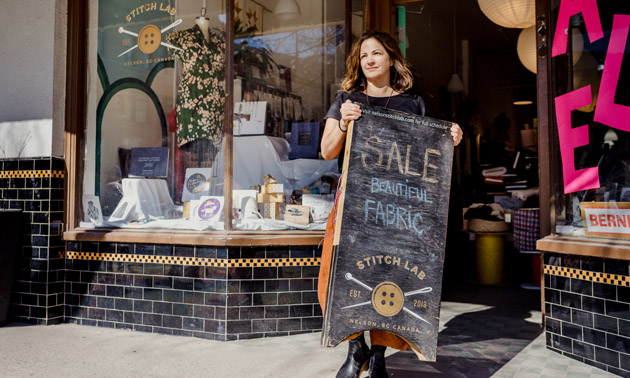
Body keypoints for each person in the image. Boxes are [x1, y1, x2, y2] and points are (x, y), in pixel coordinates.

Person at [318, 30, 463, 378]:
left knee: (391, 276)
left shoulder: (412, 104)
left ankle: (379, 354)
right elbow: (326, 150)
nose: (370, 59)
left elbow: (426, 157)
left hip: (397, 209)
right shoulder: (346, 100)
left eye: (377, 53)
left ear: (391, 59)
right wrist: (343, 121)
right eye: (364, 54)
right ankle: (356, 348)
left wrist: (451, 138)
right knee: (332, 275)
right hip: (351, 205)